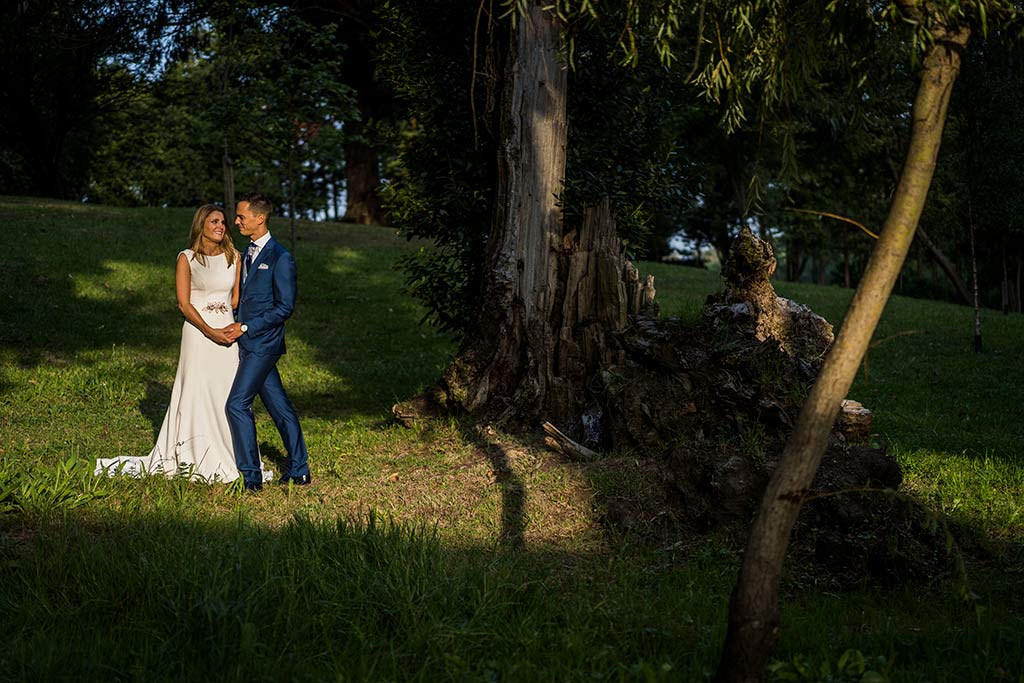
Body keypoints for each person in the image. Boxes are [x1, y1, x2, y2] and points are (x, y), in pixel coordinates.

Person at [95, 205, 271, 483]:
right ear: (201, 225)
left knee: (227, 393)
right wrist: (209, 329)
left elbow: (235, 300)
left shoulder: (234, 257)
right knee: (197, 390)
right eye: (214, 221)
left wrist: (225, 322)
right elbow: (183, 303)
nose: (221, 226)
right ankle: (195, 452)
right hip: (198, 335)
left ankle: (235, 454)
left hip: (227, 333)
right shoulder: (186, 259)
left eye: (223, 222)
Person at [222, 193, 311, 491]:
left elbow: (285, 307)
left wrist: (246, 326)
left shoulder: (281, 258)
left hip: (263, 343)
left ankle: (251, 478)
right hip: (247, 343)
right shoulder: (245, 253)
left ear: (260, 218)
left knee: (237, 404)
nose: (236, 221)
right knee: (279, 408)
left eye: (241, 217)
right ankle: (300, 470)